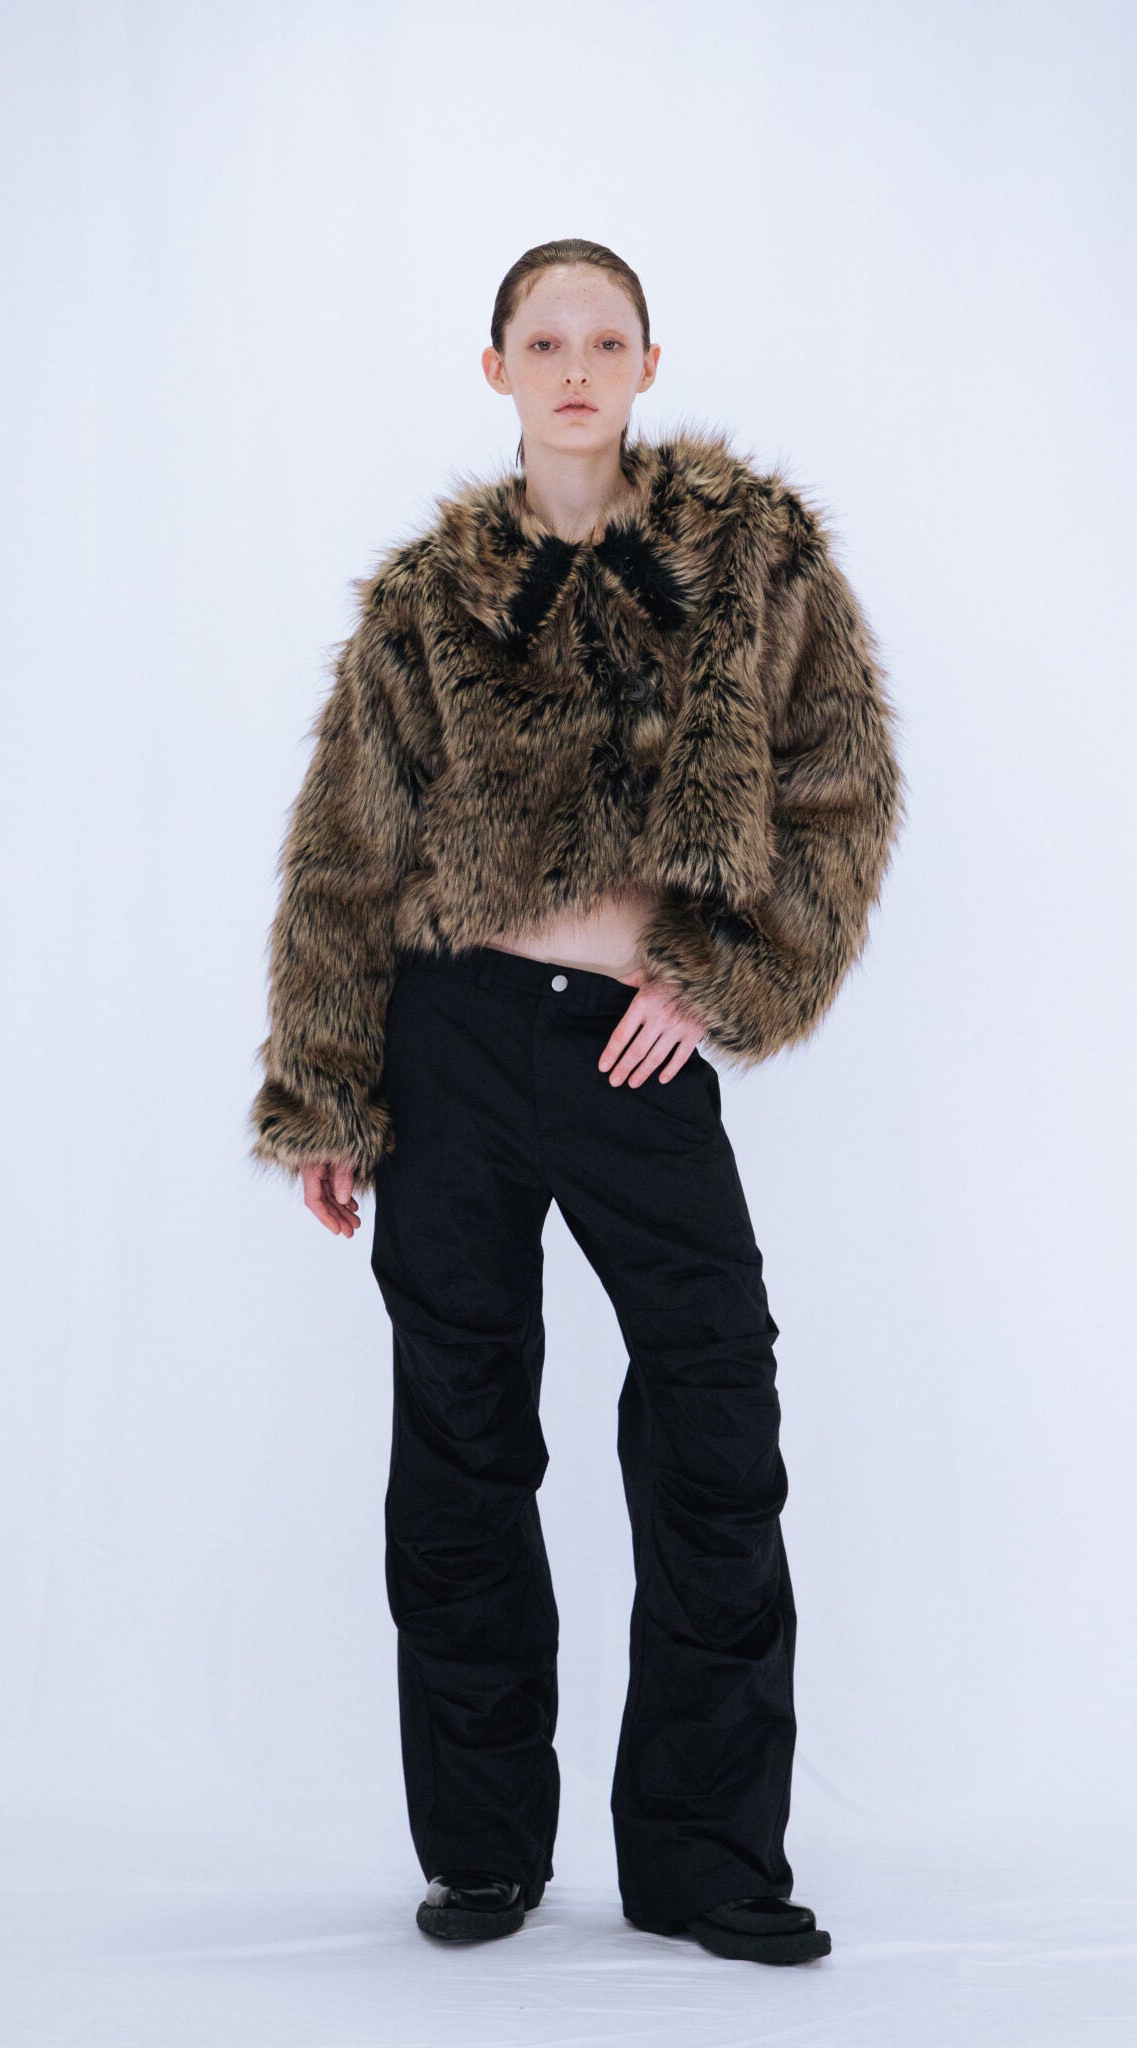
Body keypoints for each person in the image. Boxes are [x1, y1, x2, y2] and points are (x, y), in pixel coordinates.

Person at [247, 238, 904, 1967]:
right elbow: (345, 851)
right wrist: (328, 1090)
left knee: (713, 1418)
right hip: (452, 1040)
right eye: (542, 342)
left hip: (635, 1047)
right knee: (461, 1439)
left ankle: (705, 1862)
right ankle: (481, 1851)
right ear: (497, 370)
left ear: (647, 363)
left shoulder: (751, 555)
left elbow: (836, 794)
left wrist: (718, 980)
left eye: (604, 339)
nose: (574, 369)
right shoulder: (424, 599)